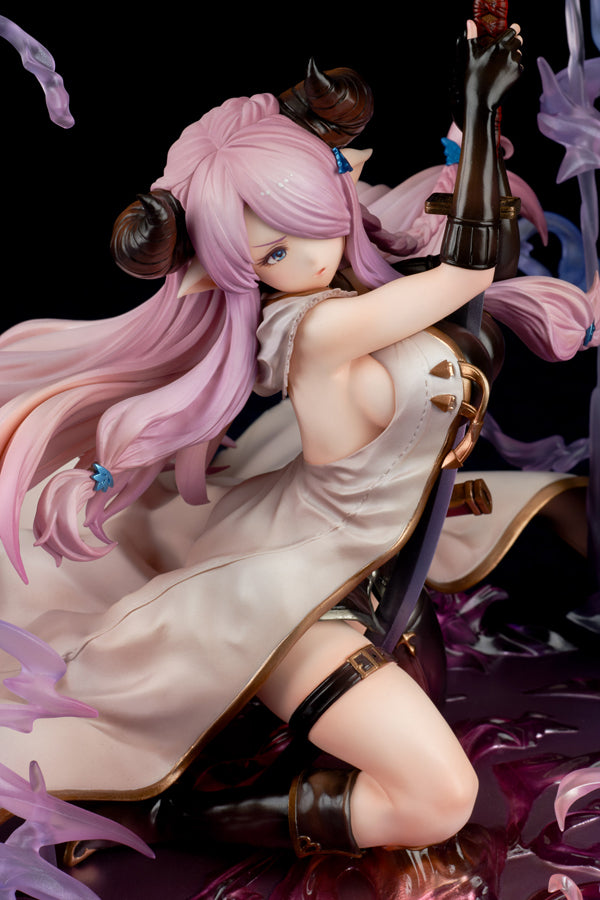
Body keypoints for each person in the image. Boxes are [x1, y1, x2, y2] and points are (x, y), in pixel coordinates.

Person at [0, 21, 523, 856]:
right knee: (436, 799)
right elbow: (470, 269)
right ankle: (169, 821)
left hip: (353, 557)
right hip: (295, 595)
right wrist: (481, 100)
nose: (309, 254)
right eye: (273, 252)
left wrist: (479, 130)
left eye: (311, 218)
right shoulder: (318, 332)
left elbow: (464, 274)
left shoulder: (351, 288)